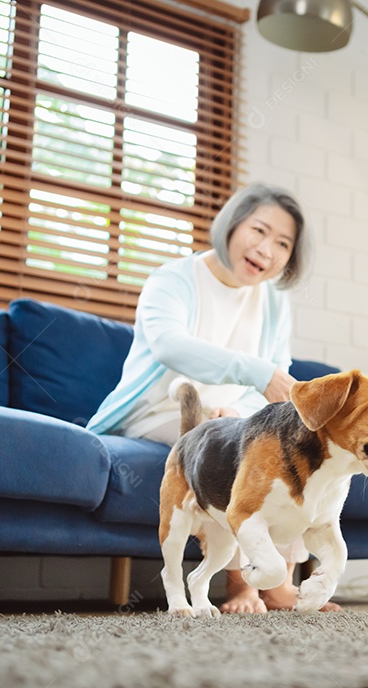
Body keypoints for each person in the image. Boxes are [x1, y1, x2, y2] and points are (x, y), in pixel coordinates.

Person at [86, 182, 333, 613]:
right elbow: (170, 345)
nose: (267, 250)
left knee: (287, 445)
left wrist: (238, 412)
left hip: (233, 417)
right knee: (235, 451)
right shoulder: (173, 279)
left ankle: (281, 582)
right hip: (163, 408)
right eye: (259, 230)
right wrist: (252, 378)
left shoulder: (274, 302)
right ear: (232, 224)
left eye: (283, 243)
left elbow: (274, 386)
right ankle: (243, 585)